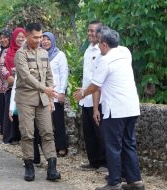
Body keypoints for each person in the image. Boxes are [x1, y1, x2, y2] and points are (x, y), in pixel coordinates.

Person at [74, 26, 144, 190]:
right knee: (129, 143)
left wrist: (82, 93)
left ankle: (114, 183)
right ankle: (135, 181)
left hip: (116, 109)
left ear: (104, 44)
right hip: (132, 107)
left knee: (113, 146)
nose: (98, 47)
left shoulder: (105, 60)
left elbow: (95, 86)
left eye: (99, 43)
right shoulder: (125, 52)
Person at [14, 22, 61, 182]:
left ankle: (52, 168)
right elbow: (26, 77)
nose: (39, 40)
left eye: (41, 36)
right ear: (27, 36)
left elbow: (49, 74)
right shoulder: (20, 54)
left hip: (43, 99)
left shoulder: (44, 52)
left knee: (48, 132)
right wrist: (44, 89)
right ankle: (29, 165)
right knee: (27, 134)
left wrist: (50, 95)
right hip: (26, 98)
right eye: (36, 37)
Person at [78, 20, 106, 171]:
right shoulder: (88, 50)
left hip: (98, 98)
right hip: (86, 97)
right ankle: (93, 160)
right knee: (89, 132)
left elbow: (98, 80)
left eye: (93, 31)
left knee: (100, 132)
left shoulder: (102, 51)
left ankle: (104, 162)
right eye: (88, 30)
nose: (90, 33)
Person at [41, 32, 69, 157]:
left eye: (48, 39)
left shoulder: (59, 55)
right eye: (43, 39)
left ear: (52, 41)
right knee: (45, 122)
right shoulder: (40, 54)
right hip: (43, 92)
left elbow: (64, 74)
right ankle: (48, 148)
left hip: (56, 93)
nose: (45, 42)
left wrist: (62, 92)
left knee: (58, 121)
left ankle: (61, 147)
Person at [1, 27, 26, 144]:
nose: (20, 39)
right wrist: (8, 76)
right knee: (10, 110)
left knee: (23, 111)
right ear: (14, 38)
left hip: (24, 86)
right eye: (18, 37)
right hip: (11, 84)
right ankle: (9, 137)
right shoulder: (7, 51)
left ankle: (22, 137)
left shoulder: (28, 50)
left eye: (23, 37)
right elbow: (1, 66)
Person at [0, 29, 12, 134]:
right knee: (3, 108)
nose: (3, 40)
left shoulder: (12, 50)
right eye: (1, 38)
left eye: (5, 37)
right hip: (1, 85)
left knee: (9, 107)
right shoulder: (1, 51)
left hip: (10, 83)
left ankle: (9, 132)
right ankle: (4, 130)